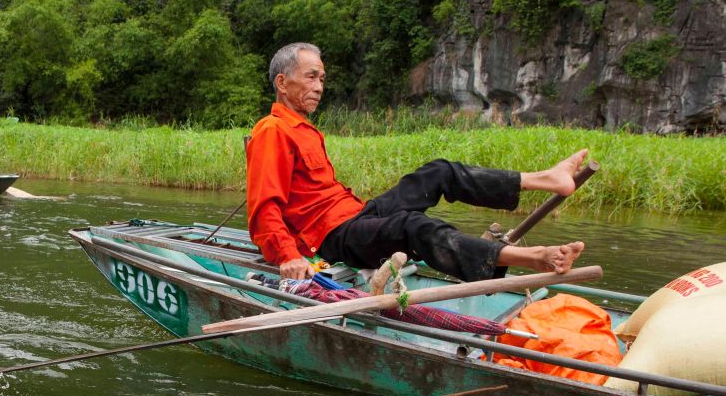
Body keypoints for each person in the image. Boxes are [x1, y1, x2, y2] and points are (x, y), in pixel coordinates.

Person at [247, 42, 587, 283]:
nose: (319, 87)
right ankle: (534, 257)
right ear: (282, 83)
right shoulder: (272, 131)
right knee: (411, 226)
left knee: (439, 171)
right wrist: (288, 256)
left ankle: (547, 178)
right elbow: (264, 209)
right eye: (310, 77)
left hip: (354, 216)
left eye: (321, 78)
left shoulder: (304, 129)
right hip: (329, 238)